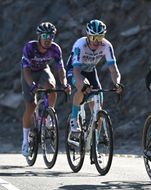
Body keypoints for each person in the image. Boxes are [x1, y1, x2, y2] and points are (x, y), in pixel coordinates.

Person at [21, 22, 71, 156]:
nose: (48, 39)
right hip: (29, 73)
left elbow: (60, 69)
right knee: (30, 107)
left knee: (51, 87)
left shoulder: (55, 48)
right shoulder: (30, 47)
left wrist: (65, 83)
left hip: (43, 70)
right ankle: (25, 141)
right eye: (45, 35)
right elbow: (25, 69)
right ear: (39, 36)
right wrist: (32, 85)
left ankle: (48, 117)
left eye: (51, 36)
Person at [67, 19, 123, 132]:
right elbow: (77, 71)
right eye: (93, 37)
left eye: (100, 37)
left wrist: (117, 83)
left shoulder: (107, 46)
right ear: (88, 35)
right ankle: (74, 119)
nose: (97, 41)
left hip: (90, 70)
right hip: (74, 70)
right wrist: (82, 85)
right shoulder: (80, 45)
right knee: (82, 88)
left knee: (98, 99)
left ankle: (94, 140)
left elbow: (113, 70)